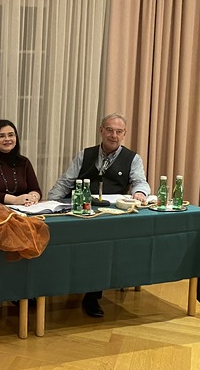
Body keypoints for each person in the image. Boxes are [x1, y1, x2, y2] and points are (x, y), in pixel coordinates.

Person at [46, 112, 151, 318]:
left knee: (101, 247)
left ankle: (92, 295)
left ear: (124, 134)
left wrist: (140, 192)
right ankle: (53, 286)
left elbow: (140, 181)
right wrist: (51, 203)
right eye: (109, 130)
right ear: (101, 131)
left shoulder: (133, 158)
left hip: (109, 215)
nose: (114, 136)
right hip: (79, 211)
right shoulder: (85, 154)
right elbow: (66, 181)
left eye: (119, 132)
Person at [0, 119, 42, 205]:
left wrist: (33, 197)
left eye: (11, 135)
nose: (7, 139)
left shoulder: (24, 162)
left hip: (22, 208)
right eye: (1, 136)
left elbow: (35, 189)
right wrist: (14, 200)